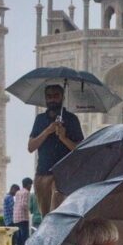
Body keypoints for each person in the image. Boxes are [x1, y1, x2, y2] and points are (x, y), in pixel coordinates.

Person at [28, 84, 83, 215]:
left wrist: (63, 138)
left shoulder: (71, 119)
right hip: (42, 174)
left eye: (56, 96)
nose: (52, 99)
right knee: (46, 217)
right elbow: (31, 147)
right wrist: (48, 130)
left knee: (58, 216)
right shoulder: (40, 119)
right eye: (49, 96)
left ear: (62, 97)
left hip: (64, 175)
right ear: (45, 99)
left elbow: (80, 150)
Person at [12, 178, 33, 245]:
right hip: (23, 217)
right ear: (28, 185)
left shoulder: (18, 192)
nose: (31, 186)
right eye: (30, 185)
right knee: (25, 238)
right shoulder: (27, 192)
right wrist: (30, 209)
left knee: (18, 238)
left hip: (16, 217)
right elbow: (24, 204)